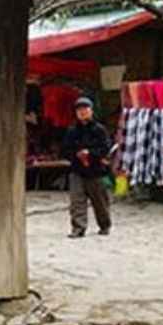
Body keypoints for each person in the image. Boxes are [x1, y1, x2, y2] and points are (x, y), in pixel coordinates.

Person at [61, 97, 112, 238]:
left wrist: (90, 153)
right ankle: (78, 228)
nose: (82, 112)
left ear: (91, 111)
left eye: (85, 109)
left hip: (95, 170)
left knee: (100, 201)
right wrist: (76, 155)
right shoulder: (72, 131)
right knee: (77, 201)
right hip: (77, 170)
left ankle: (104, 225)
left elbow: (105, 148)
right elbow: (65, 150)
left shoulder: (100, 130)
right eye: (79, 110)